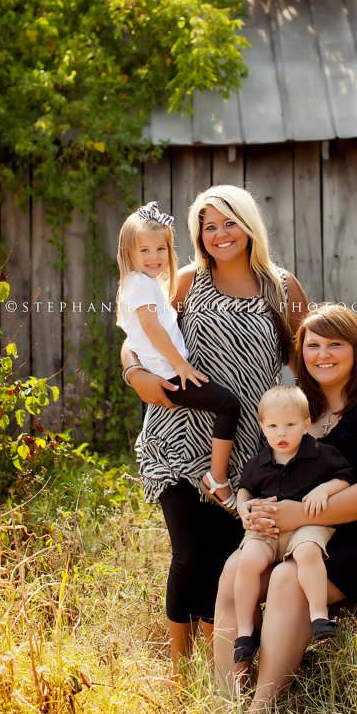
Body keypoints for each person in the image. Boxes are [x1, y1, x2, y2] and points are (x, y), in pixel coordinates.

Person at [120, 185, 308, 676]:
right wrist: (133, 373)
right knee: (190, 552)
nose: (220, 234)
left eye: (229, 222)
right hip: (176, 438)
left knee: (227, 562)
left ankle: (219, 664)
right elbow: (138, 337)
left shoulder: (281, 289)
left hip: (243, 448)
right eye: (209, 226)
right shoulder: (185, 282)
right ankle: (179, 670)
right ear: (198, 235)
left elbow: (308, 363)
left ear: (249, 226)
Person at [214, 303, 357, 707]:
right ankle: (227, 699)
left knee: (286, 579)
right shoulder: (298, 407)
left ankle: (261, 708)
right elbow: (265, 473)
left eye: (335, 344)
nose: (322, 355)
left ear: (356, 349)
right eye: (313, 345)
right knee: (235, 568)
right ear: (300, 353)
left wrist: (296, 515)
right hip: (302, 534)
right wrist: (255, 511)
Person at [117, 200, 241, 512]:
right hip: (170, 376)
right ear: (128, 252)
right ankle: (217, 478)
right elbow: (150, 328)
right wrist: (180, 364)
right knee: (228, 404)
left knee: (221, 404)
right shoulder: (141, 286)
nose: (154, 257)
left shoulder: (142, 284)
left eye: (161, 249)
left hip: (167, 370)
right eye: (144, 250)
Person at [234, 385, 354, 663]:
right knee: (248, 561)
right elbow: (245, 489)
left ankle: (318, 616)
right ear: (262, 427)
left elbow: (345, 477)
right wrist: (243, 508)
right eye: (273, 426)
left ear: (306, 424)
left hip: (307, 522)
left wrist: (324, 490)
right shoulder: (258, 462)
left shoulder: (321, 453)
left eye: (290, 424)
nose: (282, 433)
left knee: (307, 552)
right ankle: (244, 633)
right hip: (267, 529)